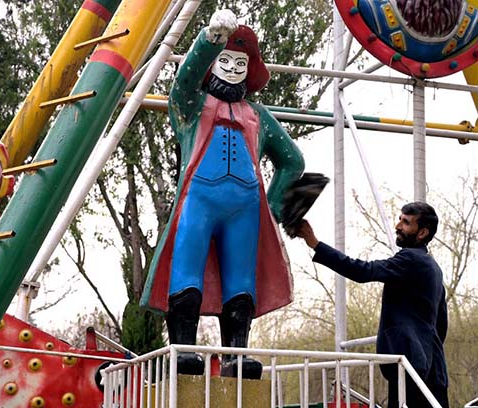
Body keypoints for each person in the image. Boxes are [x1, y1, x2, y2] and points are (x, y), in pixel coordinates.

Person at [140, 9, 305, 378]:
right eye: (224, 60)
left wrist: (274, 207)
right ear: (211, 65)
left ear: (251, 69)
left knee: (241, 281)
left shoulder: (258, 116)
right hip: (198, 201)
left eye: (239, 62)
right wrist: (209, 39)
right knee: (185, 270)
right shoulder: (192, 107)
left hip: (246, 207)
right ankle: (182, 349)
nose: (231, 67)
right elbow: (181, 85)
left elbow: (293, 161)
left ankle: (237, 355)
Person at [295, 202, 449, 407]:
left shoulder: (410, 259)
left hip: (411, 366)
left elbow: (362, 271)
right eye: (399, 219)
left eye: (405, 222)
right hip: (432, 369)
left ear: (422, 233)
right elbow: (441, 324)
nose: (398, 226)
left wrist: (314, 243)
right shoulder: (434, 268)